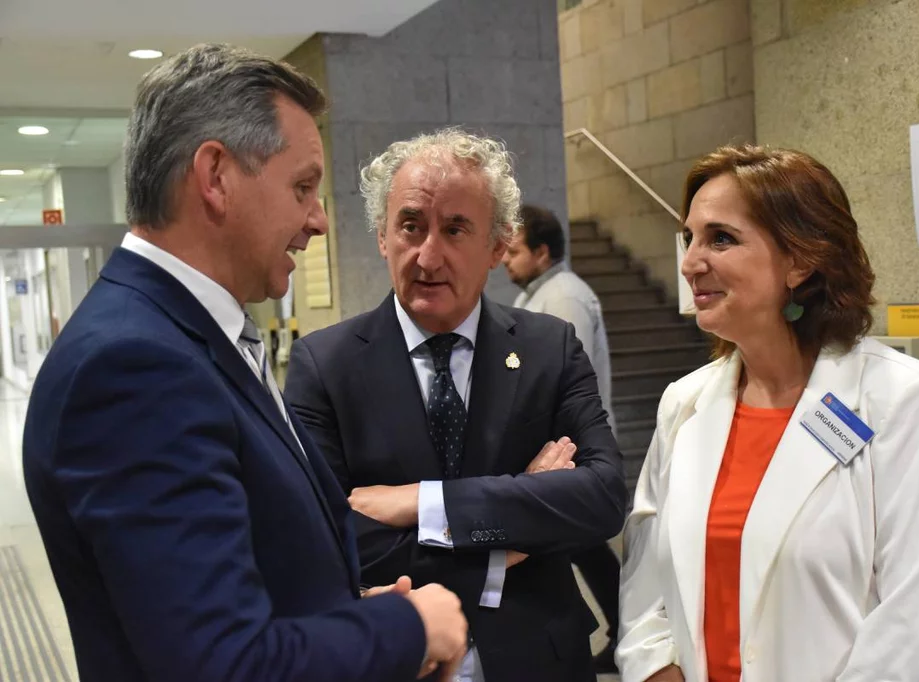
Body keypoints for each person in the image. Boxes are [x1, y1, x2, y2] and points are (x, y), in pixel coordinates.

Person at [22, 43, 467, 682]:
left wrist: (345, 618)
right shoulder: (135, 368)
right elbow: (221, 664)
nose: (318, 220)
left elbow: (235, 585)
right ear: (216, 177)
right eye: (302, 186)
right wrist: (407, 627)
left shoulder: (186, 336)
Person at [616, 144, 919, 682]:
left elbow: (918, 632)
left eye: (721, 238)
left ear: (800, 259)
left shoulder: (908, 403)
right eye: (689, 237)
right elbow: (646, 590)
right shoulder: (685, 404)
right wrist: (655, 670)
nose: (691, 261)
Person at [284, 128, 628, 682]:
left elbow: (603, 498)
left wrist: (423, 503)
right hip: (395, 658)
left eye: (455, 229)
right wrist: (502, 543)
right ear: (381, 235)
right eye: (411, 226)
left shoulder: (548, 348)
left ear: (497, 246)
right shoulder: (324, 365)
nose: (428, 254)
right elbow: (325, 535)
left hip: (538, 659)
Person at [502, 204, 621, 674]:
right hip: (550, 451)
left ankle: (612, 629)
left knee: (581, 547)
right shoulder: (539, 294)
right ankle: (613, 627)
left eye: (514, 251)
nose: (506, 260)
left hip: (568, 451)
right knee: (583, 549)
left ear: (543, 252)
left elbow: (571, 383)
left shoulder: (565, 297)